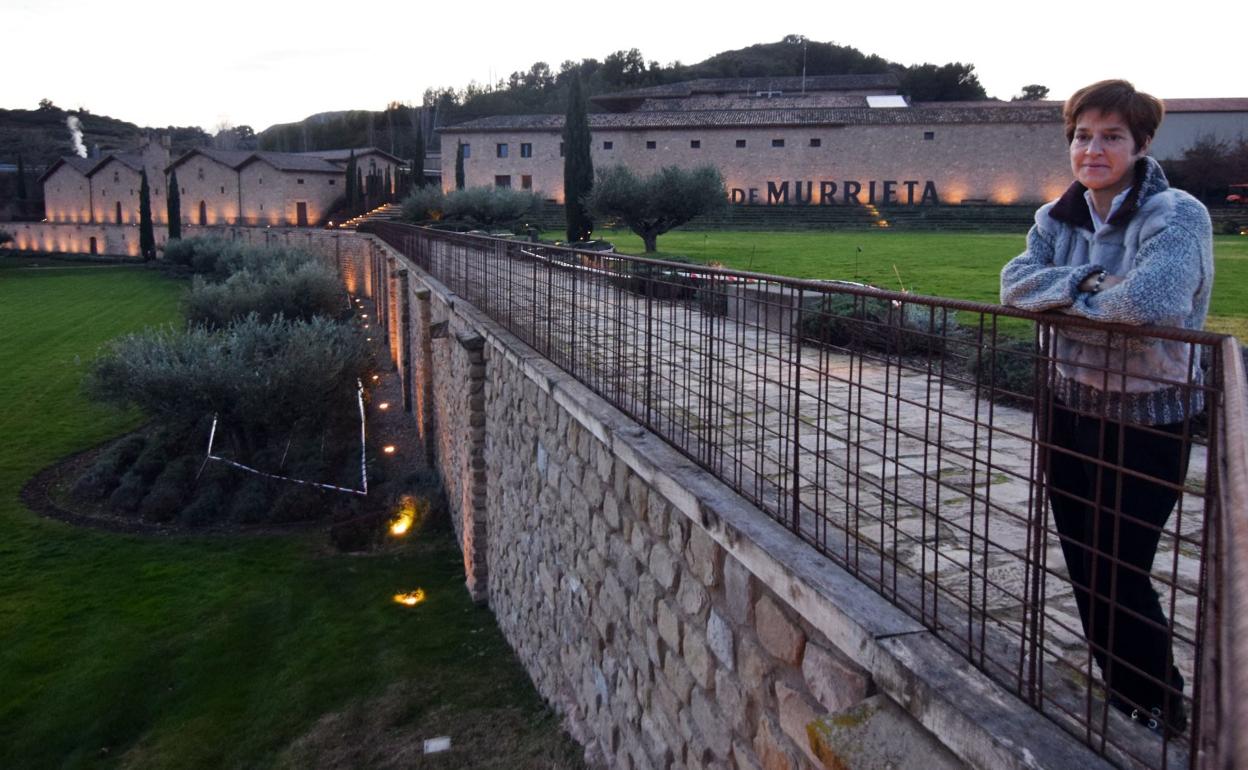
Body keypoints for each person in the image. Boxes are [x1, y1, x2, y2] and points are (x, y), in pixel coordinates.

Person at [1000, 79, 1214, 736]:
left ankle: (1158, 701)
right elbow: (1012, 286)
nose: (1093, 149)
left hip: (1149, 418)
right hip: (1069, 409)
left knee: (1121, 564)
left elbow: (1151, 308)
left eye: (1111, 136)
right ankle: (1123, 690)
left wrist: (1062, 305)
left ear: (1141, 143)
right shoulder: (1054, 218)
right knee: (1084, 557)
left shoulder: (1176, 215)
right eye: (1083, 136)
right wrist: (1092, 284)